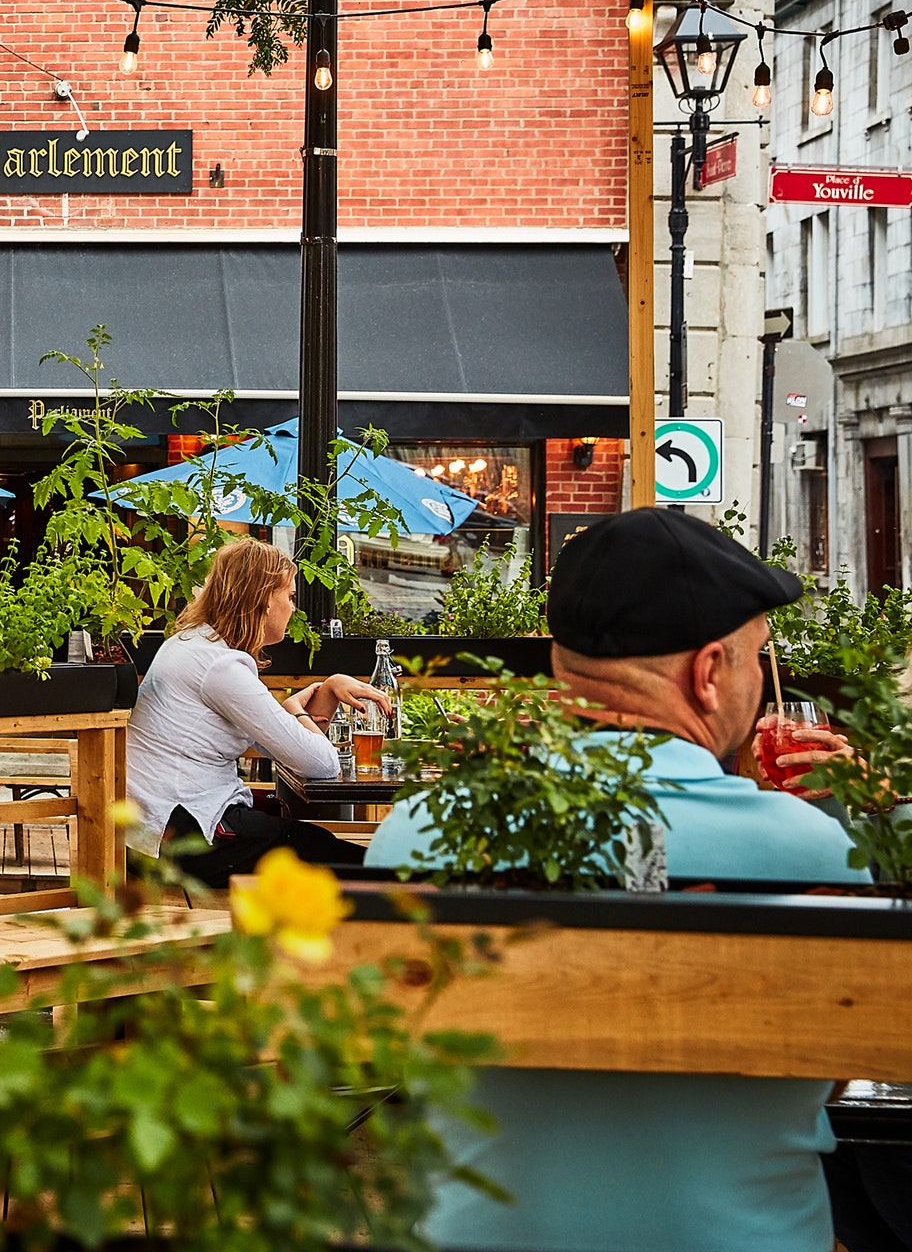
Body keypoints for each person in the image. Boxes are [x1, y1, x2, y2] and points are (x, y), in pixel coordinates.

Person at [366, 508, 866, 1252]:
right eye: (760, 656)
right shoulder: (814, 853)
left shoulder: (419, 831)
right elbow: (835, 1074)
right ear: (708, 673)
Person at [125, 536, 384, 886]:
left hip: (155, 830)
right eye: (289, 597)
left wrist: (324, 693)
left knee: (318, 845)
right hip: (182, 837)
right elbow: (322, 764)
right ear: (264, 599)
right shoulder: (220, 666)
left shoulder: (195, 645)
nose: (293, 608)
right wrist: (296, 707)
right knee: (345, 860)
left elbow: (287, 746)